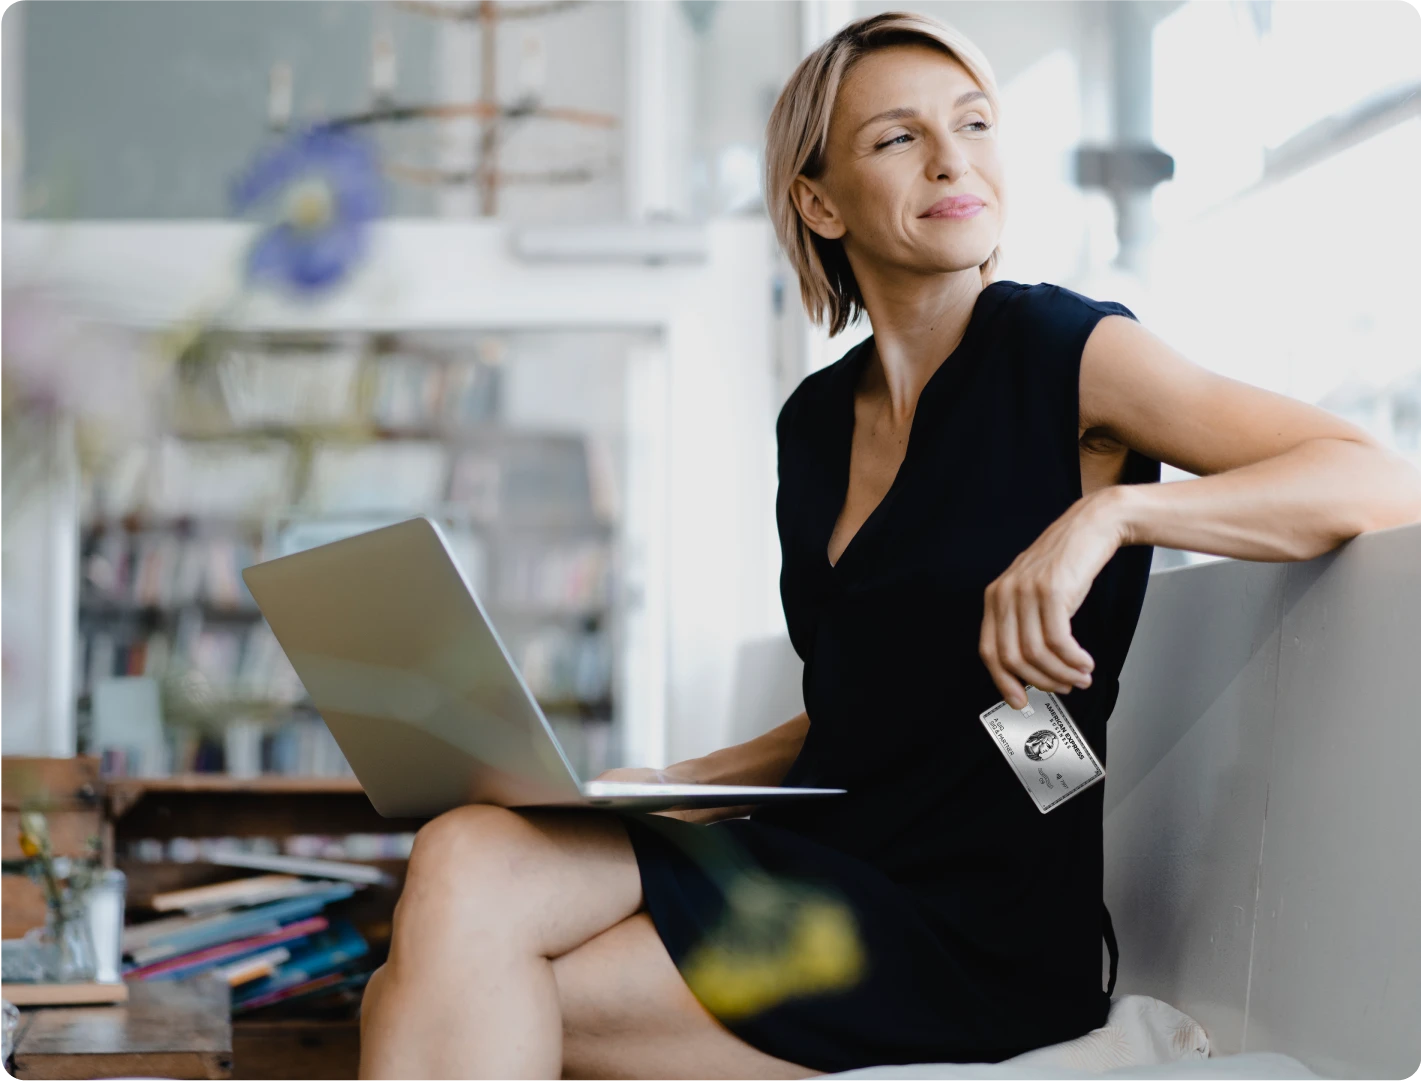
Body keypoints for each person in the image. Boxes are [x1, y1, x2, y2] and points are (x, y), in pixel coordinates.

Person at [357, 12, 1421, 1081]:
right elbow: (863, 707)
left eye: (972, 123)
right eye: (897, 137)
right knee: (462, 855)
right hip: (823, 861)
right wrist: (669, 781)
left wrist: (1109, 517)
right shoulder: (814, 425)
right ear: (819, 201)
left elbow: (1372, 476)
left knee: (439, 981)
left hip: (976, 925)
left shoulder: (1064, 350)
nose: (952, 157)